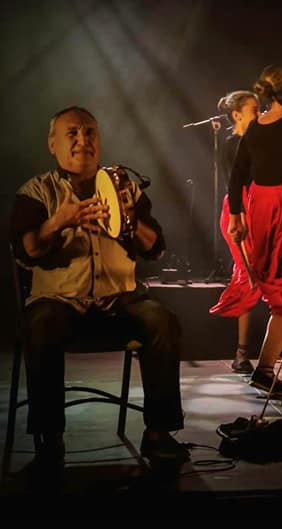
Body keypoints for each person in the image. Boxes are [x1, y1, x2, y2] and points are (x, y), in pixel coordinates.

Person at [9, 107, 188, 471]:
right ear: (52, 143)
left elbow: (155, 247)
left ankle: (159, 433)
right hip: (59, 302)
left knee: (162, 320)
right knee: (39, 324)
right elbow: (25, 250)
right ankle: (49, 441)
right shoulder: (36, 192)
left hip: (119, 300)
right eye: (72, 133)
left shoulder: (124, 188)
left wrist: (128, 218)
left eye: (89, 132)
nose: (83, 140)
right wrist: (59, 222)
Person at [226, 65, 282, 395]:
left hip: (260, 204)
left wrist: (236, 214)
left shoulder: (256, 127)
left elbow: (237, 174)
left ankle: (274, 359)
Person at [208, 90, 262, 373]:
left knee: (271, 273)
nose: (260, 113)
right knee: (247, 276)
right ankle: (241, 353)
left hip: (259, 209)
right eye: (255, 109)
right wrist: (237, 216)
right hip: (239, 211)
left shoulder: (259, 140)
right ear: (237, 114)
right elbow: (235, 182)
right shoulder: (232, 144)